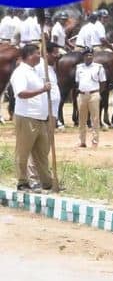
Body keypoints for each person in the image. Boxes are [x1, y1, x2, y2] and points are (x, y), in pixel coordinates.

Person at [11, 44, 54, 191]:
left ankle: (47, 182)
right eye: (37, 53)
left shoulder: (34, 72)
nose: (40, 56)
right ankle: (22, 182)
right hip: (26, 117)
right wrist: (42, 89)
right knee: (23, 151)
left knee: (42, 153)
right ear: (30, 55)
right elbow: (21, 93)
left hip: (40, 118)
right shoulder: (20, 72)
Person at [75, 49, 106, 148]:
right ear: (83, 57)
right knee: (81, 119)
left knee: (95, 119)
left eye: (91, 55)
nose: (89, 57)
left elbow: (103, 82)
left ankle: (95, 141)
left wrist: (97, 93)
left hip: (94, 94)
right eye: (87, 55)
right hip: (82, 95)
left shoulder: (99, 67)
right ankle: (82, 141)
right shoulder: (79, 68)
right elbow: (77, 82)